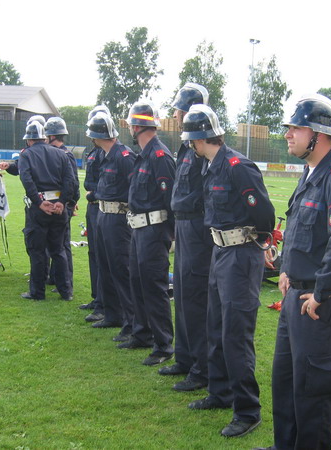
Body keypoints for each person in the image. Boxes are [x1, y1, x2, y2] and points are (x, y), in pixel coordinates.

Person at [256, 94, 331, 450]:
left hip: (321, 303)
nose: (288, 134)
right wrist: (286, 269)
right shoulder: (311, 173)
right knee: (286, 382)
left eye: (296, 128)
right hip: (297, 295)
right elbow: (300, 228)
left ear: (318, 134)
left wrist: (323, 290)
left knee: (314, 394)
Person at [182, 105, 274, 438]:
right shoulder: (210, 166)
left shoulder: (237, 166)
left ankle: (248, 410)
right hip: (220, 252)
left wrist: (256, 242)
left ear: (199, 138)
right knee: (216, 327)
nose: (189, 145)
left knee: (236, 334)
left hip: (241, 255)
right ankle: (220, 392)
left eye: (190, 139)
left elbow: (264, 214)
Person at [159, 83, 212, 393]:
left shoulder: (203, 145)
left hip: (197, 228)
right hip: (183, 226)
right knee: (181, 293)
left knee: (195, 298)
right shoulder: (186, 145)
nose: (176, 115)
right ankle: (185, 357)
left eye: (180, 110)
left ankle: (202, 368)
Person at [118, 101, 176, 367]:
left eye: (131, 123)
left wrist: (168, 235)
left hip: (154, 229)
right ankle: (142, 333)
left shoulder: (159, 156)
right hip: (139, 228)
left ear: (136, 126)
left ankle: (163, 344)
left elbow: (170, 199)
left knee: (153, 286)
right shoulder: (143, 154)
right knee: (138, 282)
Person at [86, 112, 137, 341]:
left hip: (119, 219)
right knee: (106, 267)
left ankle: (131, 323)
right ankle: (113, 314)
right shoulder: (106, 155)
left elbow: (134, 187)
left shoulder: (123, 156)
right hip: (104, 215)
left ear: (97, 136)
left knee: (121, 270)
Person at [17, 121, 75, 300]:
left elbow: (27, 180)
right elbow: (70, 180)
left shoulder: (26, 155)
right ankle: (66, 291)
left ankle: (37, 292)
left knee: (37, 250)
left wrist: (39, 202)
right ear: (44, 138)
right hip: (58, 207)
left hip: (39, 207)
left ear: (29, 140)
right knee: (59, 250)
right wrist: (62, 202)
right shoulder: (61, 154)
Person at [45, 117, 80, 301]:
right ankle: (57, 279)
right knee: (56, 244)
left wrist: (70, 204)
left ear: (52, 136)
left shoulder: (65, 155)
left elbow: (73, 183)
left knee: (63, 246)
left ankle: (67, 284)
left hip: (63, 205)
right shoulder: (56, 153)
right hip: (58, 204)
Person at [79, 105, 109, 319]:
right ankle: (97, 296)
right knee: (93, 253)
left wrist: (94, 194)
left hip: (101, 205)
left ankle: (104, 301)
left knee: (102, 254)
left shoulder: (106, 153)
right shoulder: (95, 151)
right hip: (93, 206)